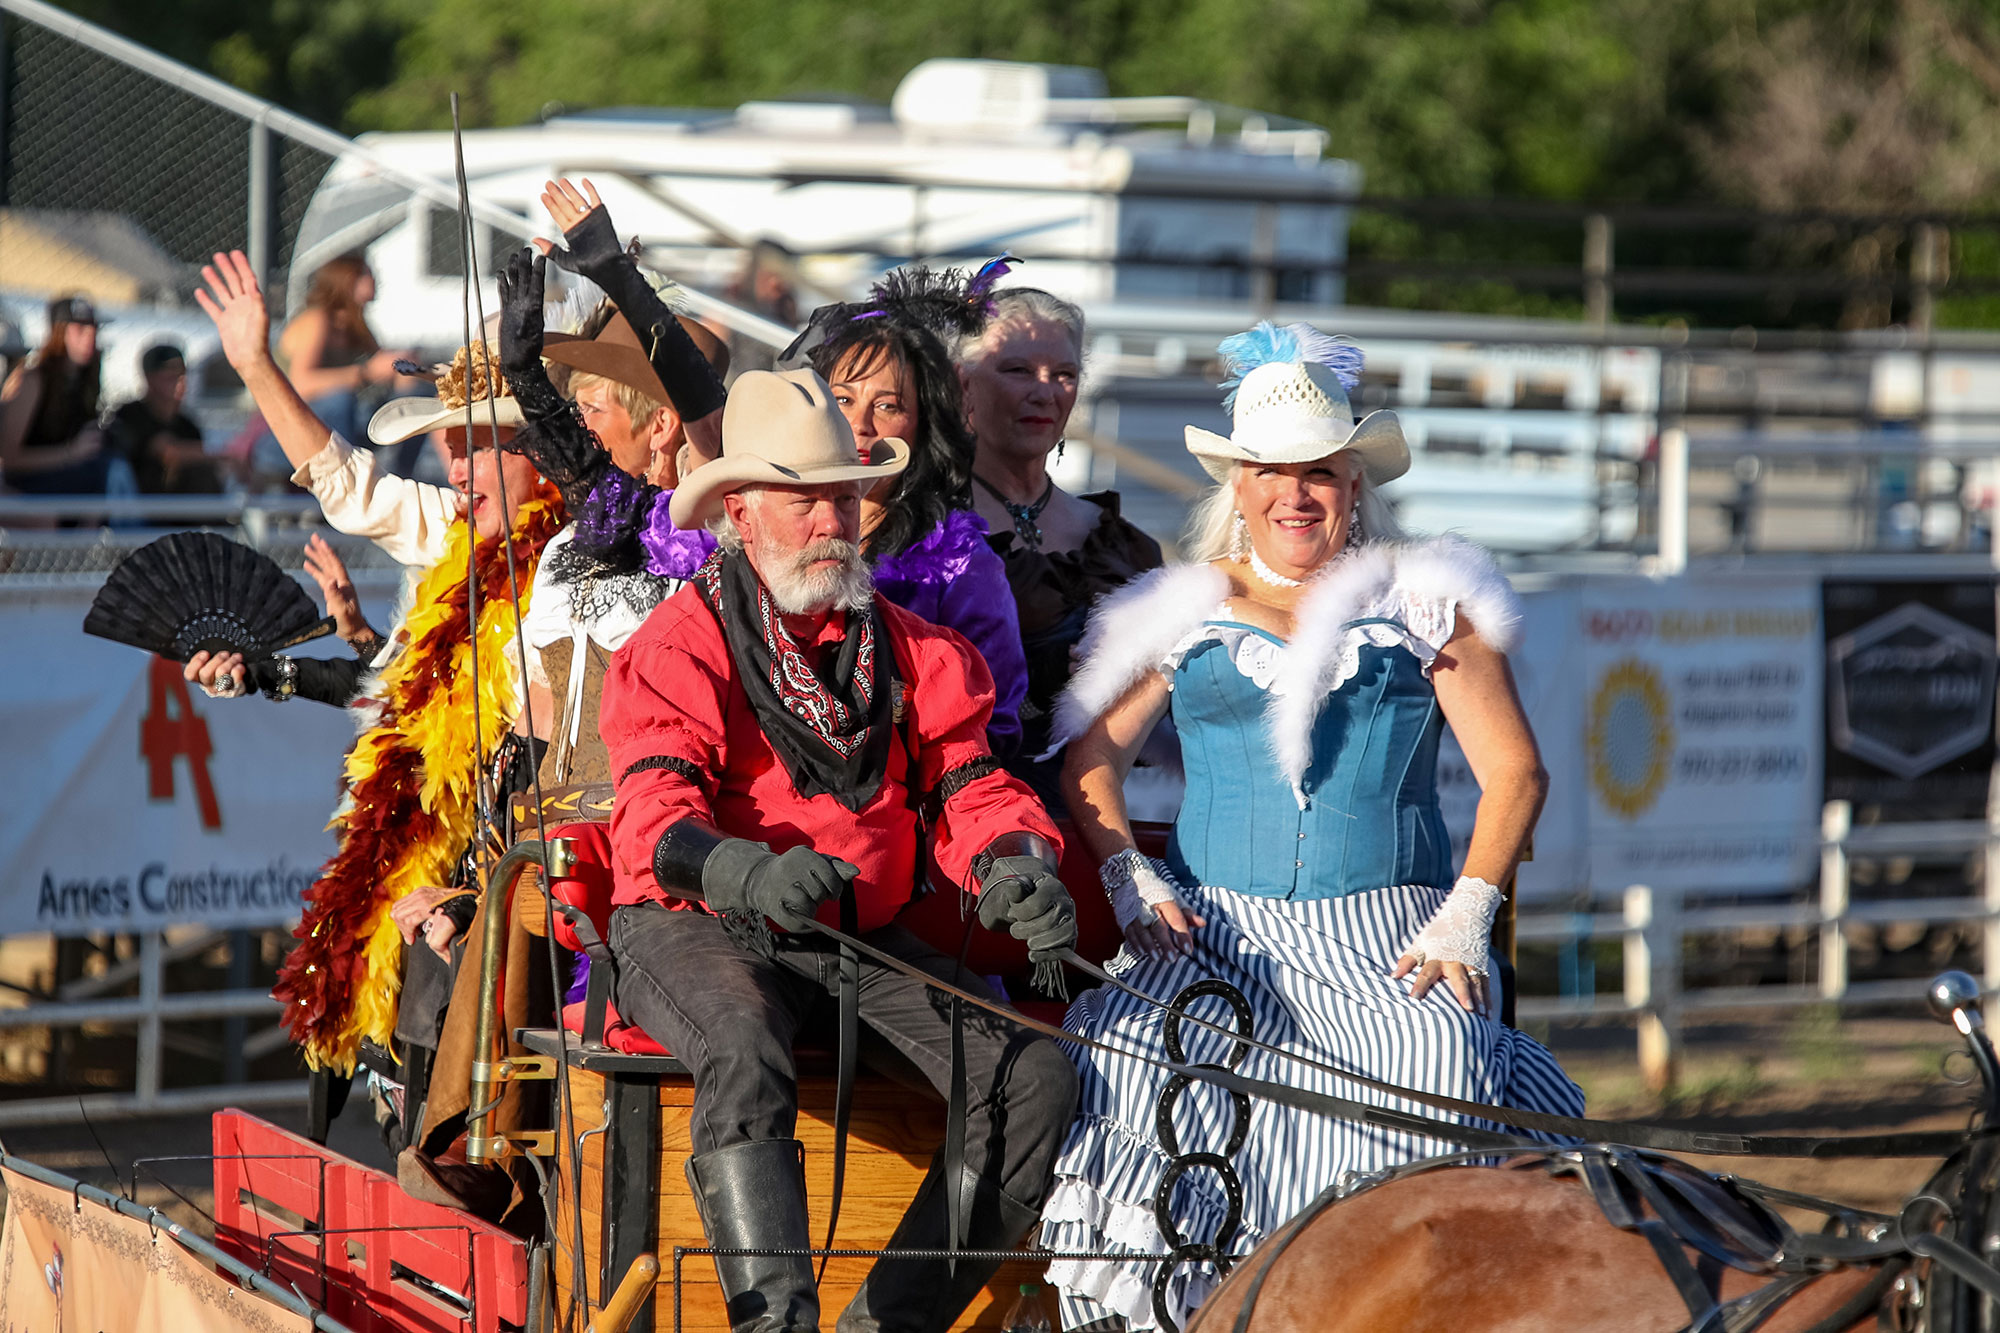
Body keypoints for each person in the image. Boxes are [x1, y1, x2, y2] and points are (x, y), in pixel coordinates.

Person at [1039, 324, 1584, 1332]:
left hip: (1393, 935)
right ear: (1237, 487)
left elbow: (1514, 772)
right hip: (1218, 934)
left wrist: (1467, 912)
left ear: (1352, 484)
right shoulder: (1182, 607)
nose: (1295, 496)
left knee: (1430, 1063)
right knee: (1129, 1061)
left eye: (1319, 474)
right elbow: (1088, 763)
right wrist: (1129, 876)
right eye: (1271, 474)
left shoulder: (1423, 603)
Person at [599, 365, 1080, 1333]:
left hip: (859, 935)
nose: (832, 519)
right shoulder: (675, 645)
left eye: (845, 496)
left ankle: (884, 1327)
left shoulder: (919, 650)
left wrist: (1016, 861)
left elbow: (971, 785)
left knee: (1032, 1075)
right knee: (742, 1044)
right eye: (803, 499)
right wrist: (747, 868)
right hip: (693, 924)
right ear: (738, 511)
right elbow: (653, 813)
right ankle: (772, 1323)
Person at [192, 249, 566, 1097]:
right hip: (441, 859)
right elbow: (350, 488)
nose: (455, 470)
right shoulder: (458, 533)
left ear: (540, 451)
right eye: (447, 449)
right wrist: (254, 361)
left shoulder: (585, 556)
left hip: (530, 867)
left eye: (476, 447)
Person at [518, 178, 1029, 752]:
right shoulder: (749, 528)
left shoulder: (961, 569)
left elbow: (993, 733)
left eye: (887, 405)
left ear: (922, 426)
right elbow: (693, 435)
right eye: (842, 401)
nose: (860, 424)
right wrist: (612, 294)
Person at [957, 288, 1162, 792]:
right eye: (1018, 371)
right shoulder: (924, 535)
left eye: (1063, 375)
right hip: (966, 824)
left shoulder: (1121, 545)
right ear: (963, 383)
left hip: (1096, 821)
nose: (1045, 392)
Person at [0, 295, 111, 493]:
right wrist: (70, 452)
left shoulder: (86, 380)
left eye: (94, 329)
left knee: (110, 471)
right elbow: (7, 458)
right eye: (80, 329)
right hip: (25, 488)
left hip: (68, 485)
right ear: (58, 332)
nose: (90, 338)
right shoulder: (32, 380)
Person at [105, 343, 222, 497]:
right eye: (170, 377)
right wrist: (228, 455)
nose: (181, 383)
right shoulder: (131, 415)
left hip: (180, 510)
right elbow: (168, 452)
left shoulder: (187, 425)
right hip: (137, 509)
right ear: (149, 378)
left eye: (183, 375)